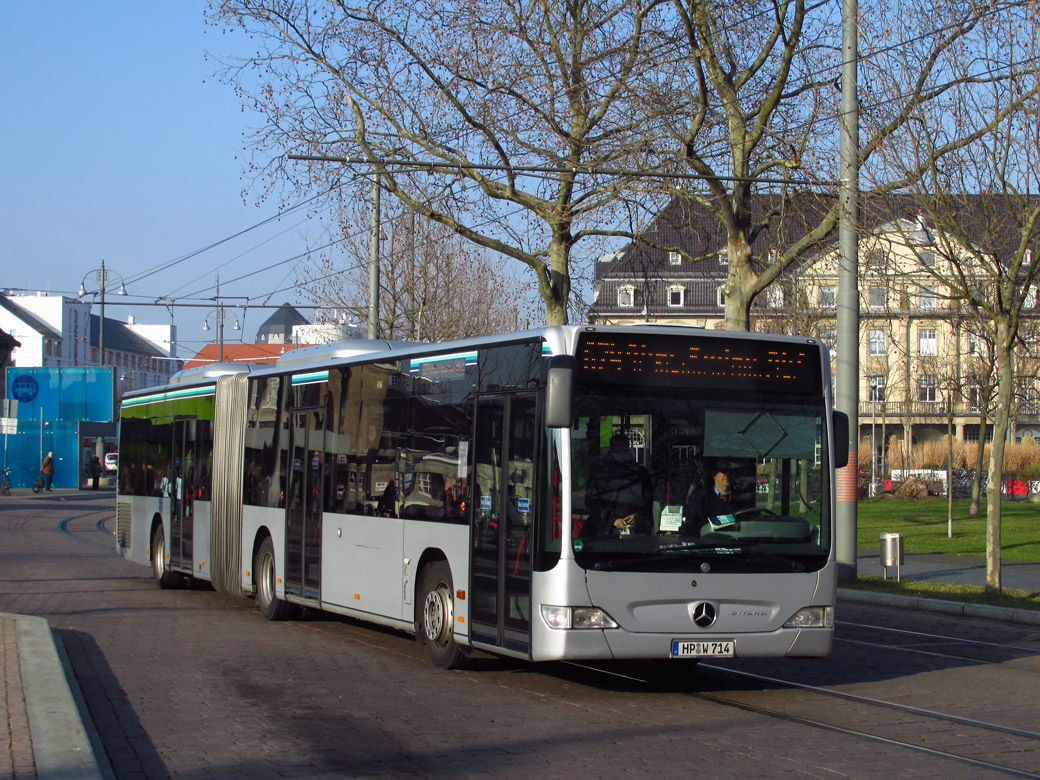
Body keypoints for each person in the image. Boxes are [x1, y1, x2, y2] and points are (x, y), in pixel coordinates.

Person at [585, 433, 651, 536]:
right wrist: (613, 520)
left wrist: (638, 515)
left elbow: (648, 500)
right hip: (606, 533)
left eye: (623, 448)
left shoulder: (640, 473)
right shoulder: (601, 474)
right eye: (617, 448)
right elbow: (592, 503)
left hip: (637, 532)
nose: (621, 452)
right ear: (612, 449)